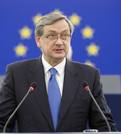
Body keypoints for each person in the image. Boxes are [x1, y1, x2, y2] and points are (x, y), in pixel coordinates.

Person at [0, 11, 117, 132]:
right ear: (38, 40)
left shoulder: (89, 76)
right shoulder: (17, 73)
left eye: (65, 35)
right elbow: (2, 123)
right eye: (52, 36)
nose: (59, 42)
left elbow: (105, 126)